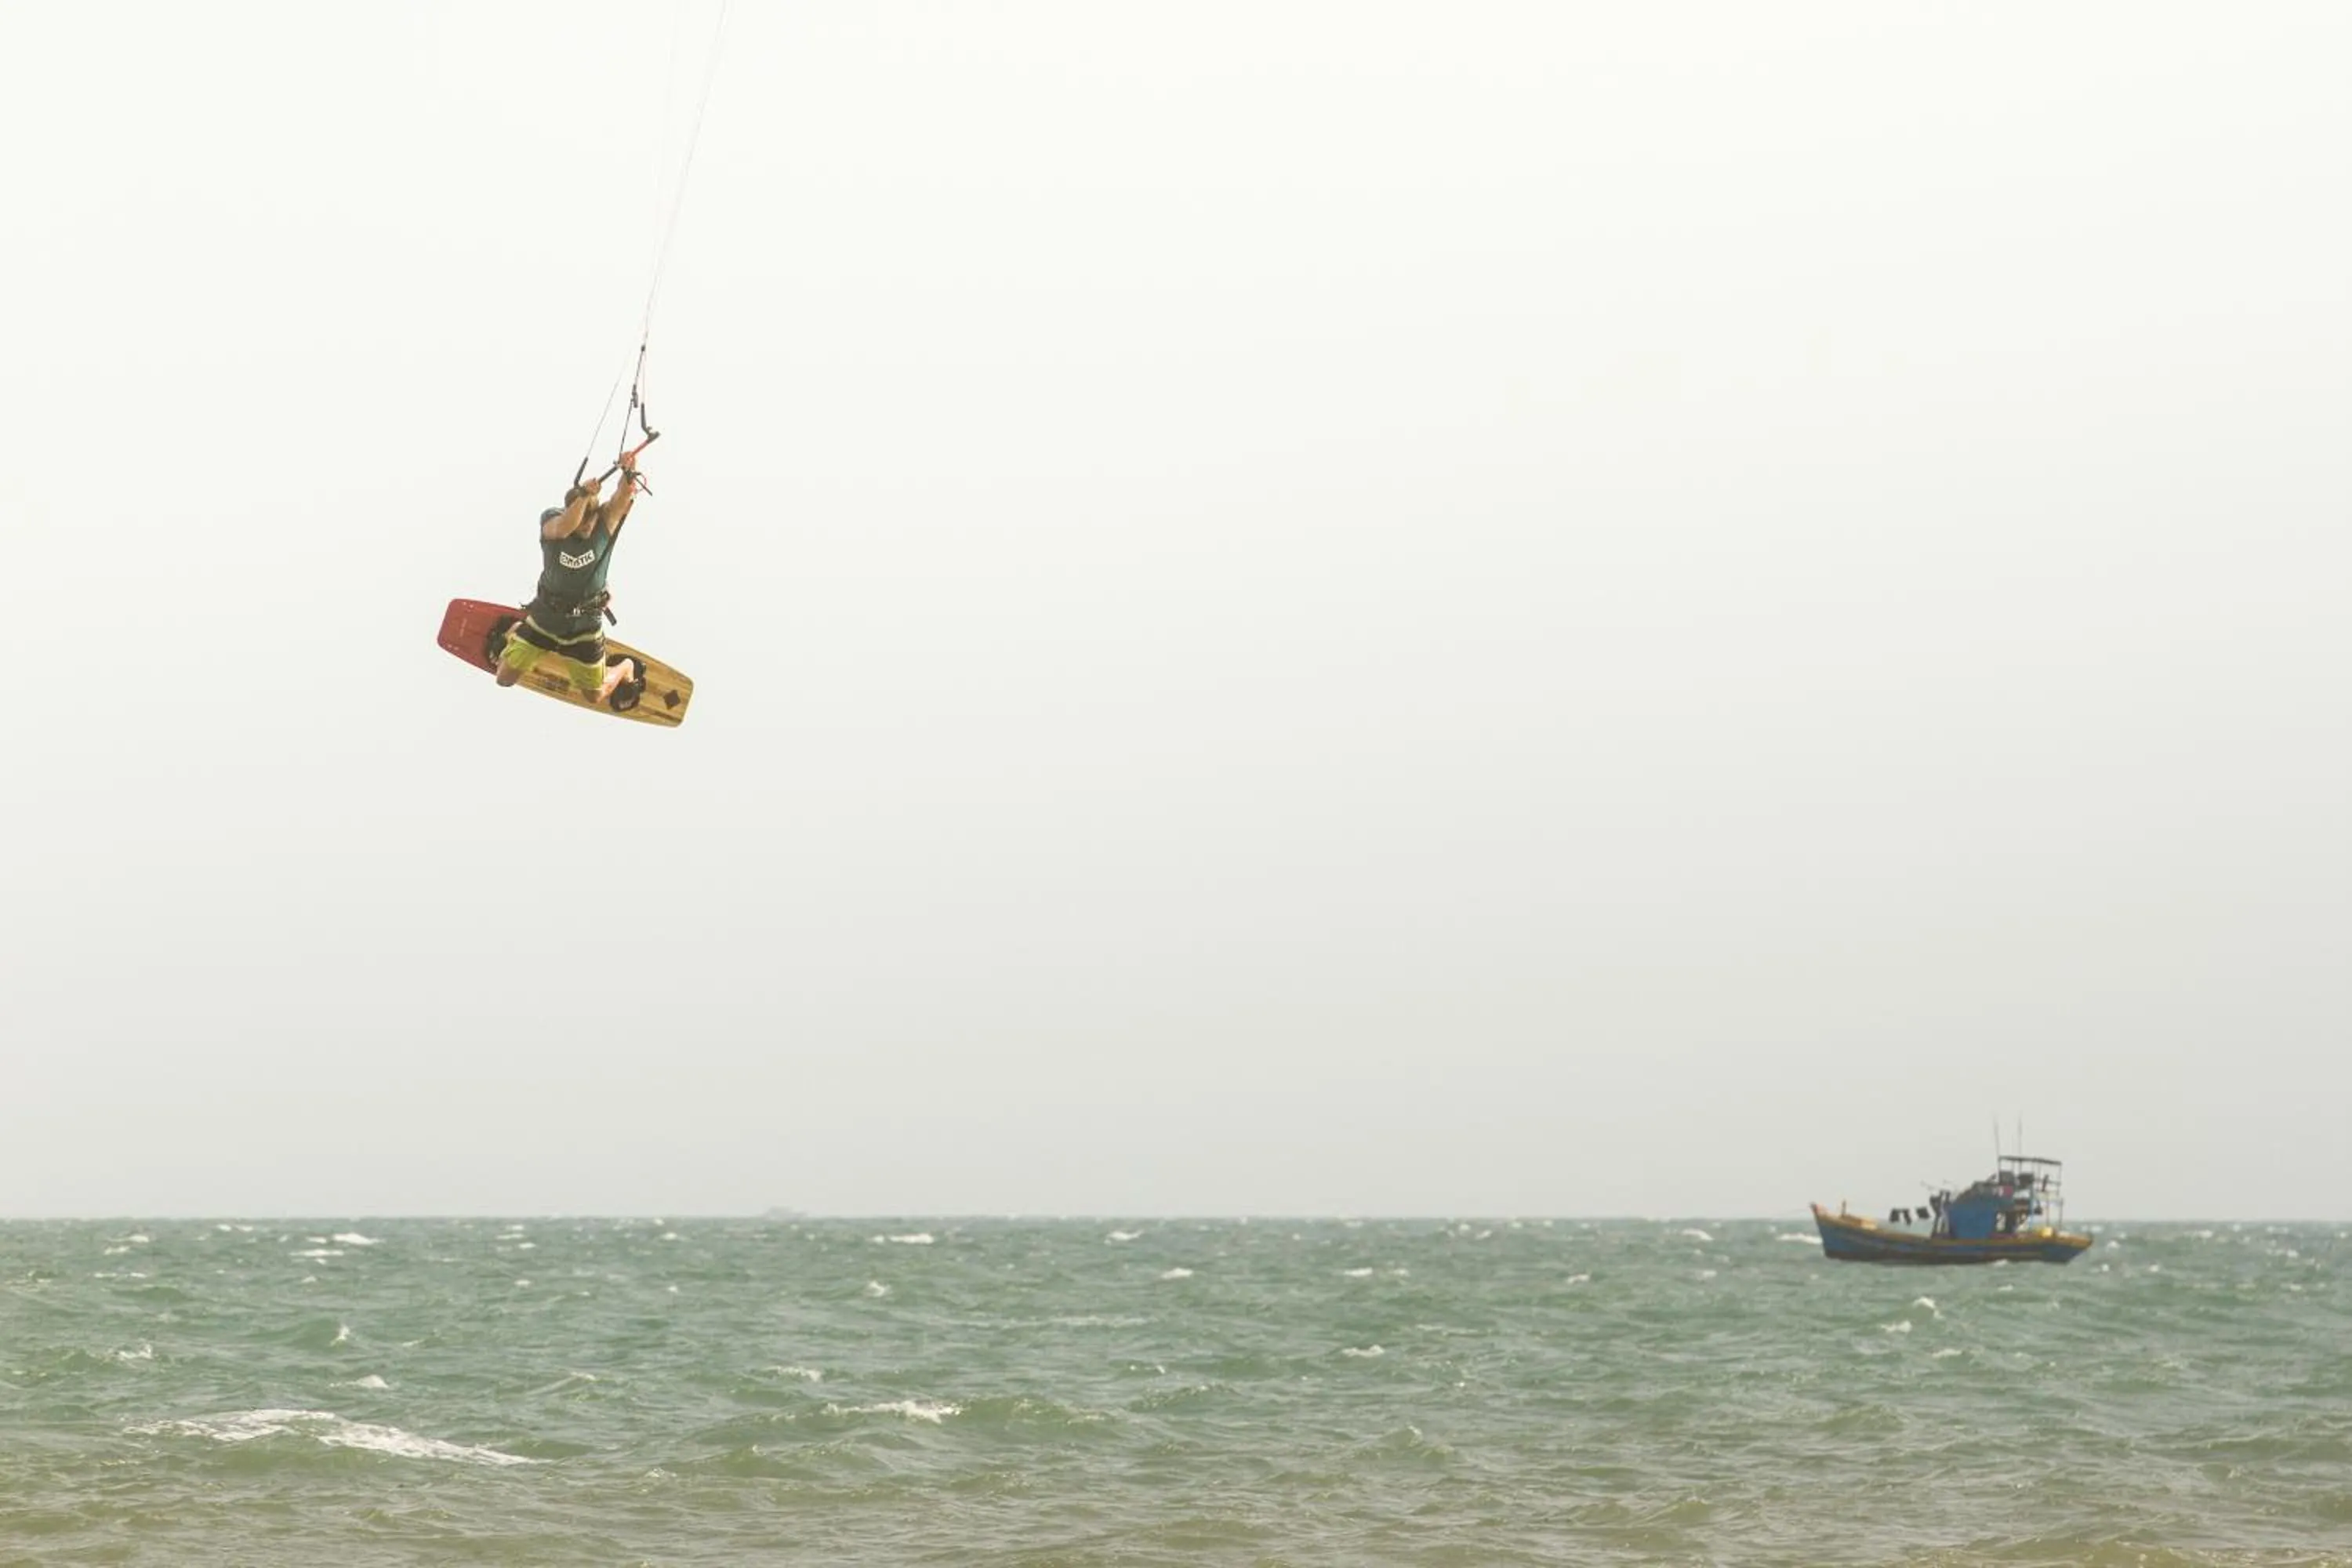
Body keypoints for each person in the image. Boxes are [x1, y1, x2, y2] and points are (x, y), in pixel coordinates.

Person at [495, 441, 652, 699]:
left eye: (591, 519)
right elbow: (565, 527)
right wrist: (583, 497)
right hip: (546, 618)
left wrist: (627, 470)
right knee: (503, 679)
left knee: (595, 695)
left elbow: (622, 498)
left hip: (585, 627)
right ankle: (514, 633)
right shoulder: (553, 521)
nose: (588, 526)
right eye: (584, 519)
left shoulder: (604, 523)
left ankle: (625, 667)